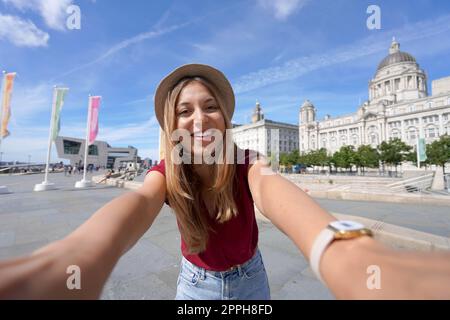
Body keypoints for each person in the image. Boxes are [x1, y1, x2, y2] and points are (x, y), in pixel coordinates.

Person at [0, 64, 450, 300]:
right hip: (196, 285)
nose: (199, 119)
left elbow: (280, 197)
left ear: (226, 117)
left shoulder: (247, 163)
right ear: (171, 126)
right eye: (185, 110)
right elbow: (133, 208)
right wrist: (75, 257)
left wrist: (348, 251)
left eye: (210, 106)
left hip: (252, 282)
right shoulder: (166, 174)